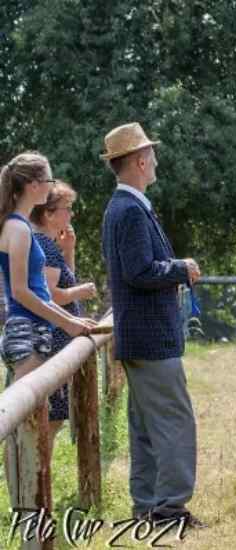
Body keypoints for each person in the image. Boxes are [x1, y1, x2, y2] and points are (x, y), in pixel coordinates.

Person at [100, 122, 203, 527]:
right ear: (140, 161)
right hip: (151, 337)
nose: (156, 161)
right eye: (152, 155)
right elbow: (140, 271)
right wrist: (182, 268)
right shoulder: (129, 210)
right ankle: (170, 509)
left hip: (139, 337)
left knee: (144, 427)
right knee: (176, 421)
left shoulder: (125, 207)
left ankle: (146, 505)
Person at [0, 152, 96, 505]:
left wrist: (70, 320)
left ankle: (26, 506)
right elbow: (22, 292)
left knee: (30, 426)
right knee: (22, 428)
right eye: (50, 180)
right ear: (33, 185)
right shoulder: (18, 229)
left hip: (35, 329)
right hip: (26, 331)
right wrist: (67, 321)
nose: (53, 187)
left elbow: (37, 291)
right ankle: (24, 509)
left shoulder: (20, 226)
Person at [30, 180, 97, 450]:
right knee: (50, 421)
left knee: (51, 421)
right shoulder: (43, 246)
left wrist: (69, 250)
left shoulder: (46, 245)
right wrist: (82, 291)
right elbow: (51, 295)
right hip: (54, 339)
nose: (70, 215)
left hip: (56, 336)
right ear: (47, 213)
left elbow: (61, 284)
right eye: (66, 209)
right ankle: (36, 482)